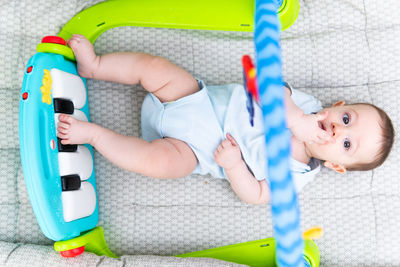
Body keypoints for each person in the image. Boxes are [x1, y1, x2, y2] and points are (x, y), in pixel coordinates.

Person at [57, 34, 395, 205]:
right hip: (192, 99)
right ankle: (96, 66)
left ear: (337, 166)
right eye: (347, 117)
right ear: (338, 105)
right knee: (155, 68)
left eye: (347, 144)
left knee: (156, 164)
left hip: (194, 151)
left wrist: (233, 165)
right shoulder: (304, 105)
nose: (339, 129)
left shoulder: (296, 178)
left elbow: (256, 195)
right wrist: (295, 119)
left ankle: (96, 137)